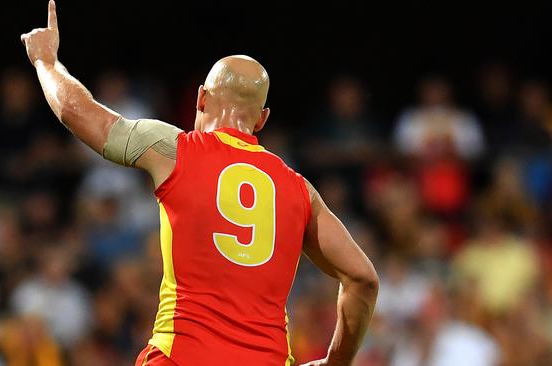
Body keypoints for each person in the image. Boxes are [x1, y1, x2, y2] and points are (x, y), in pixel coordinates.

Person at [20, 2, 378, 365]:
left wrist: (46, 62)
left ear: (201, 98)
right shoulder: (300, 190)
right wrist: (336, 362)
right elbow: (363, 278)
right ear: (262, 119)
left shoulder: (174, 150)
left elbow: (77, 113)